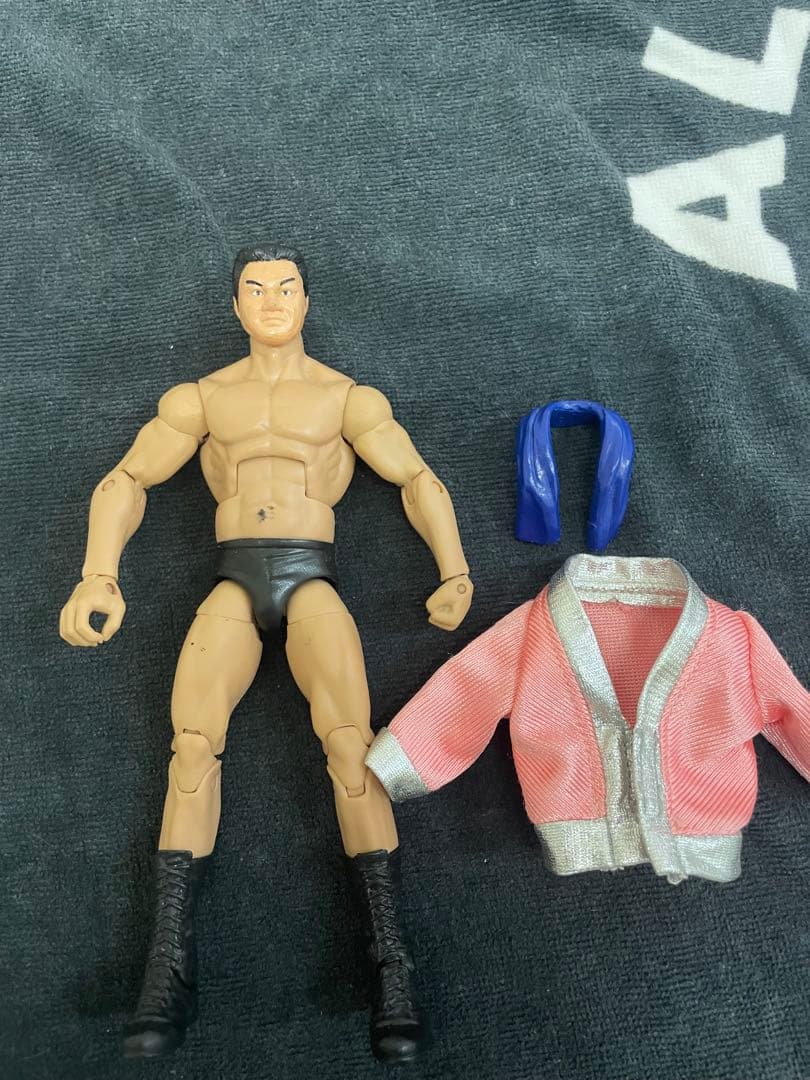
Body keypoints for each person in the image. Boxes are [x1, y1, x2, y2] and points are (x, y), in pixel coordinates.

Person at [59, 244, 473, 1063]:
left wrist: (454, 569)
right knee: (189, 749)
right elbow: (125, 481)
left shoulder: (346, 398)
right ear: (236, 306)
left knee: (352, 750)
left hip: (311, 575)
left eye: (286, 286)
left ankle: (393, 966)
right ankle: (165, 969)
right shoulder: (203, 398)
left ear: (307, 301)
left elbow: (418, 479)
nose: (272, 299)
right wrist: (97, 575)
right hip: (234, 576)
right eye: (255, 288)